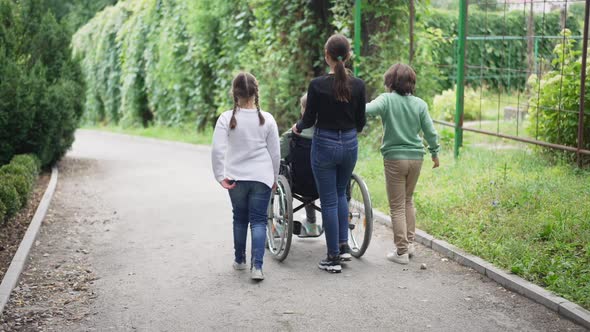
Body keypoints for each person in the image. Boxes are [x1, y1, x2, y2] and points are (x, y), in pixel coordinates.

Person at [292, 34, 366, 273]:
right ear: (349, 55)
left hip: (324, 144)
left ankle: (333, 257)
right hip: (350, 144)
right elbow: (361, 122)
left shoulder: (317, 85)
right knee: (341, 195)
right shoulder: (359, 85)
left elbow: (309, 119)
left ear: (327, 56)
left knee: (330, 200)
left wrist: (298, 128)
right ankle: (343, 246)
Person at [365, 63, 440, 265]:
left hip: (394, 159)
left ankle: (401, 252)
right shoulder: (420, 104)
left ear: (390, 82)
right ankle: (411, 244)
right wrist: (435, 153)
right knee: (408, 200)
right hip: (417, 157)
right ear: (411, 83)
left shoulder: (386, 100)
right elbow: (431, 132)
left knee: (397, 206)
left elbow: (367, 110)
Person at [211, 72, 280, 280]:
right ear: (256, 92)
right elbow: (275, 153)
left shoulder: (226, 118)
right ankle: (257, 267)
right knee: (259, 221)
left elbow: (217, 150)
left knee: (239, 219)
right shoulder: (267, 119)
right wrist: (274, 178)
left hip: (236, 178)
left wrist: (219, 176)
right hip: (262, 178)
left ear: (234, 93)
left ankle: (239, 260)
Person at [280, 93, 321, 237]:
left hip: (299, 182)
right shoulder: (329, 134)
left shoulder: (292, 134)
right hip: (323, 183)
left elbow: (278, 154)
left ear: (304, 109)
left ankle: (281, 223)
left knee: (282, 171)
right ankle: (311, 223)